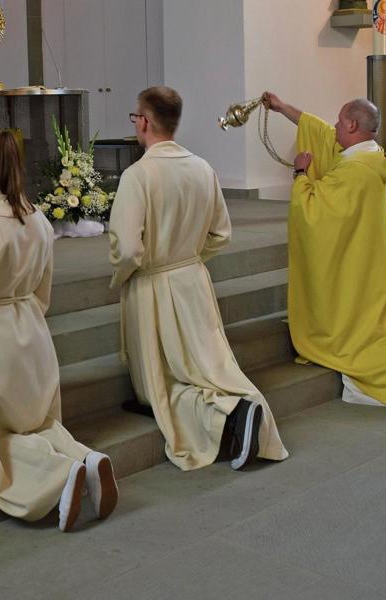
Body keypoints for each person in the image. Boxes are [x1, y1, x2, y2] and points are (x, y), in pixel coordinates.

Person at [0, 131, 118, 532]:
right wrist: (28, 316)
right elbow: (44, 288)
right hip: (32, 330)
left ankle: (58, 476)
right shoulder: (38, 220)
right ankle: (85, 459)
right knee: (37, 424)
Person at [108, 86, 288, 471]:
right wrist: (188, 259)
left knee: (162, 383)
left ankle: (227, 414)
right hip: (193, 280)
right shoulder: (202, 168)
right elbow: (221, 234)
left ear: (143, 121)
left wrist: (126, 275)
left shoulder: (137, 175)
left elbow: (127, 249)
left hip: (154, 286)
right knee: (207, 366)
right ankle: (237, 404)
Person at [264, 91, 386, 409]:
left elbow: (313, 211)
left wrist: (301, 173)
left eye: (338, 121)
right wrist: (281, 108)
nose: (332, 127)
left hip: (356, 264)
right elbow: (317, 130)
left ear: (351, 124)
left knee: (357, 320)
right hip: (369, 255)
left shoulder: (353, 170)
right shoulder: (369, 154)